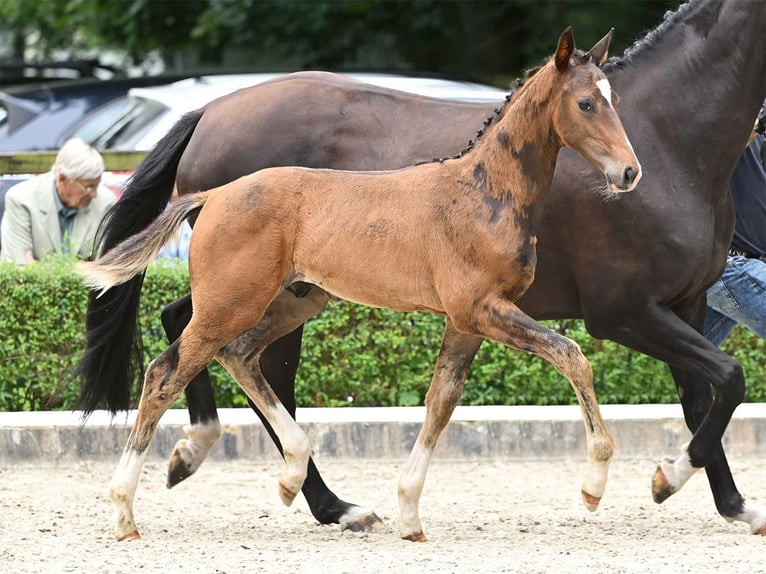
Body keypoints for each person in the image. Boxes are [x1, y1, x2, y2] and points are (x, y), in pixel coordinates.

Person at [704, 103, 766, 345]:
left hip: (740, 265)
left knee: (694, 370)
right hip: (730, 264)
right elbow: (719, 152)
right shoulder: (724, 107)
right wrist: (758, 121)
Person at [0, 138, 115, 265]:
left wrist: (36, 267)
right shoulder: (20, 199)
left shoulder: (105, 202)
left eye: (97, 185)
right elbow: (19, 268)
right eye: (88, 187)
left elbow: (104, 267)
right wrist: (85, 266)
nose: (94, 194)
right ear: (62, 178)